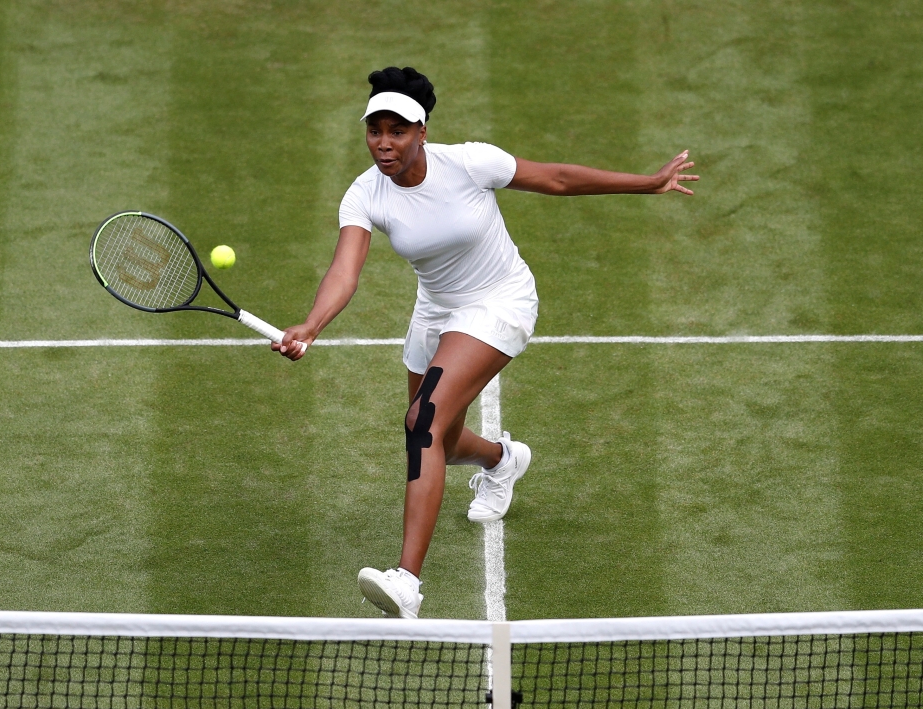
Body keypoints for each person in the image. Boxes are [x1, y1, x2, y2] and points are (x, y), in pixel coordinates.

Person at [274, 66, 698, 618]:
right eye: (375, 130)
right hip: (437, 309)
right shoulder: (364, 194)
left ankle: (407, 582)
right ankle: (502, 461)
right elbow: (344, 271)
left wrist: (649, 181)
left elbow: (560, 178)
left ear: (421, 131)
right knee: (439, 440)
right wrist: (311, 324)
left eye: (396, 130)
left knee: (420, 421)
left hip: (500, 301)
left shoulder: (471, 162)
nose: (384, 142)